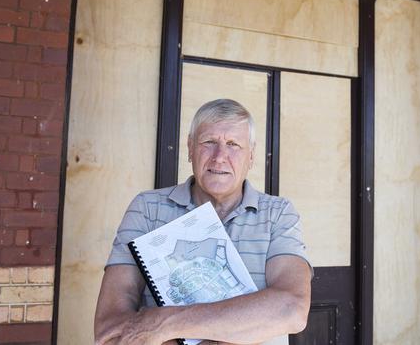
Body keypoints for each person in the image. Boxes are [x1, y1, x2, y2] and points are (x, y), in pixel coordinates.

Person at [94, 99, 312, 345]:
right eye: (209, 142)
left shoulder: (278, 214)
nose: (220, 157)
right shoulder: (147, 209)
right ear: (189, 149)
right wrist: (237, 328)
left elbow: (291, 310)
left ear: (251, 156)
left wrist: (164, 324)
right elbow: (109, 330)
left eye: (233, 144)